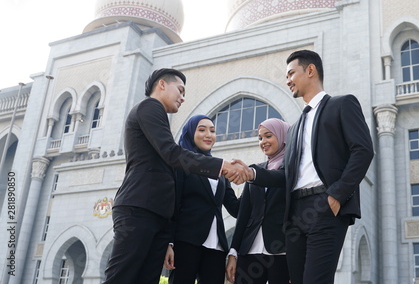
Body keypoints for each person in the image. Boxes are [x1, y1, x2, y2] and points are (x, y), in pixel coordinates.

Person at [231, 50, 374, 284]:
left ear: (310, 70)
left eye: (291, 73)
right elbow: (286, 175)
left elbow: (363, 150)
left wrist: (336, 195)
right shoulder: (295, 127)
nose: (287, 80)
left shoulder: (342, 105)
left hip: (325, 206)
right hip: (295, 213)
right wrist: (252, 173)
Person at [103, 68, 243, 284]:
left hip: (156, 215)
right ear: (161, 85)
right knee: (122, 277)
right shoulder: (149, 107)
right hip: (138, 208)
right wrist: (220, 165)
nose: (183, 97)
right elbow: (172, 152)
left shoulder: (159, 117)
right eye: (180, 90)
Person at [168, 114, 240, 284]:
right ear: (190, 133)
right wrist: (169, 242)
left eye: (212, 131)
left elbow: (235, 208)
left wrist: (254, 181)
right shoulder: (181, 163)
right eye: (202, 130)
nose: (209, 134)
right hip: (186, 241)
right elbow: (173, 204)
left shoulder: (218, 169)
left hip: (216, 245)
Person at [226, 118, 290, 284]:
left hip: (282, 250)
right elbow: (243, 213)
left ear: (282, 136)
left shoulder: (293, 170)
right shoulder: (255, 169)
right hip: (249, 250)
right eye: (260, 138)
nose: (263, 142)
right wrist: (233, 251)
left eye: (268, 136)